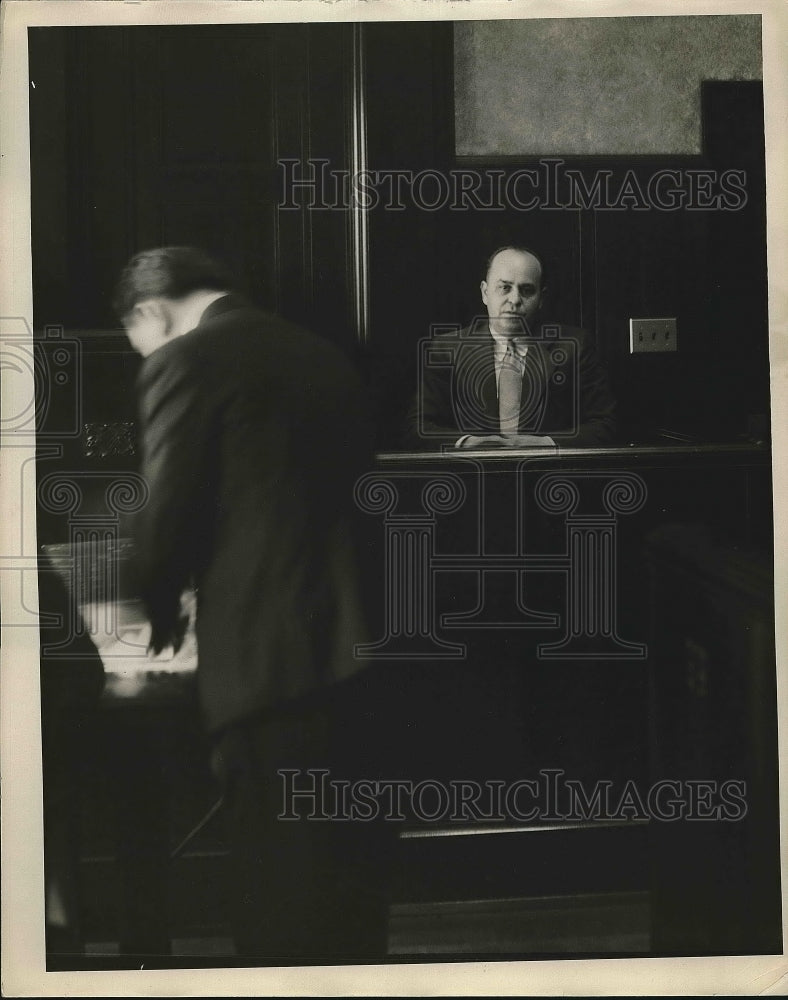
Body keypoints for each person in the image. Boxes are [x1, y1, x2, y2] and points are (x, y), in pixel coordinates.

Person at [114, 246, 391, 962]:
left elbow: (162, 529)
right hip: (363, 657)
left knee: (277, 907)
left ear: (150, 311)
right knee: (349, 898)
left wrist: (148, 614)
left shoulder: (184, 360)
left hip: (267, 668)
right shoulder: (322, 354)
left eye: (137, 339)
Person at [405, 245, 616, 450]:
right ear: (485, 293)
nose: (515, 300)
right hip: (472, 476)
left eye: (527, 290)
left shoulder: (575, 347)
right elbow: (418, 427)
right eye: (504, 287)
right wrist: (467, 443)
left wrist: (545, 444)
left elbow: (605, 424)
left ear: (541, 298)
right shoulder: (446, 349)